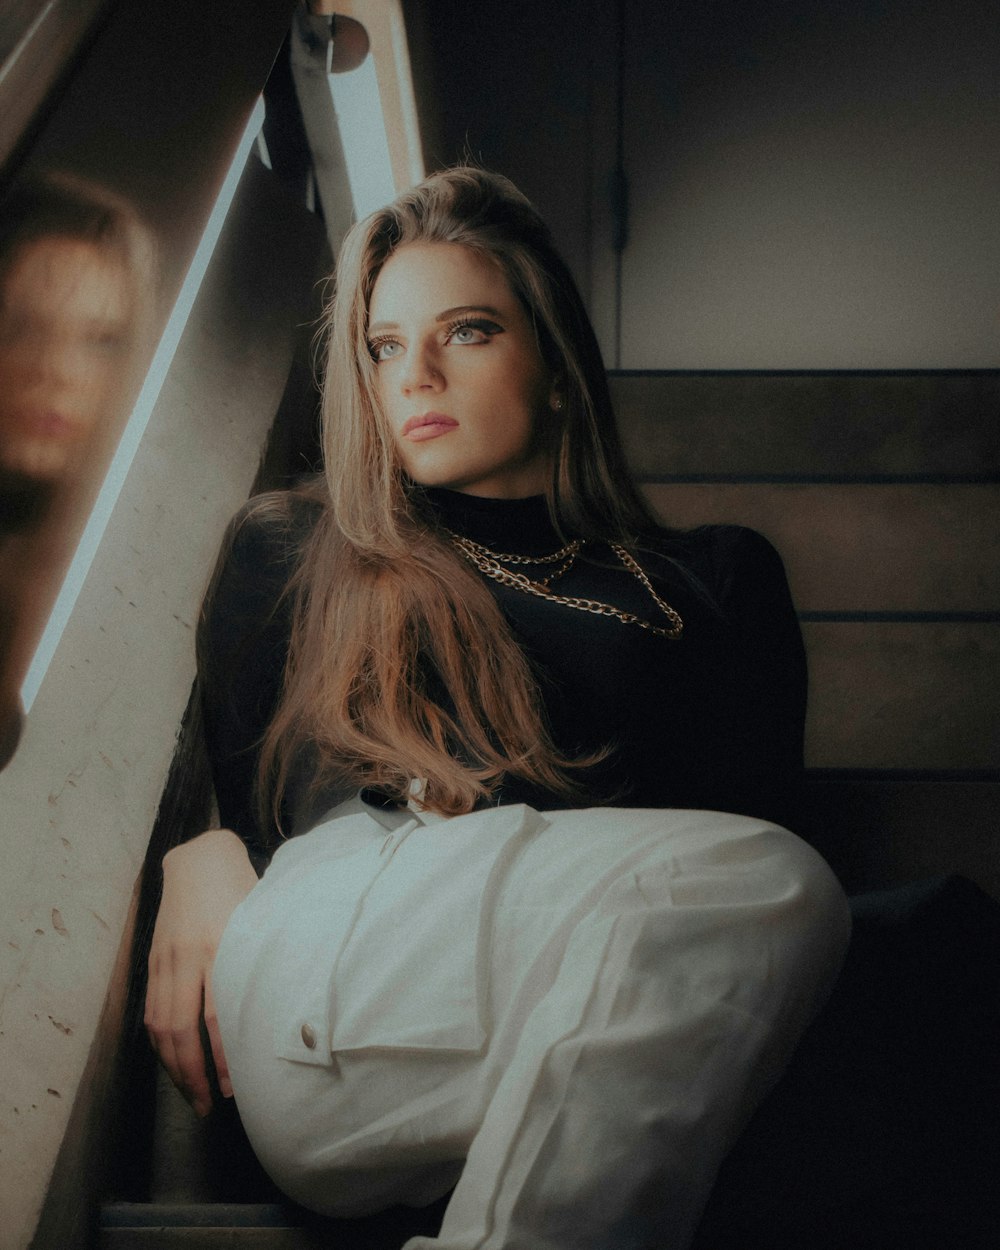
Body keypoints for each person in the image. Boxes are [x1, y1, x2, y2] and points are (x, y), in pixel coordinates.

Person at [145, 167, 850, 1249]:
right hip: (345, 974)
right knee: (772, 881)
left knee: (763, 890)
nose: (414, 373)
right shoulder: (304, 544)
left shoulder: (714, 576)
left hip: (582, 995)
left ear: (557, 366)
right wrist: (198, 852)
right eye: (383, 346)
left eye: (465, 331)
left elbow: (731, 849)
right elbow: (258, 802)